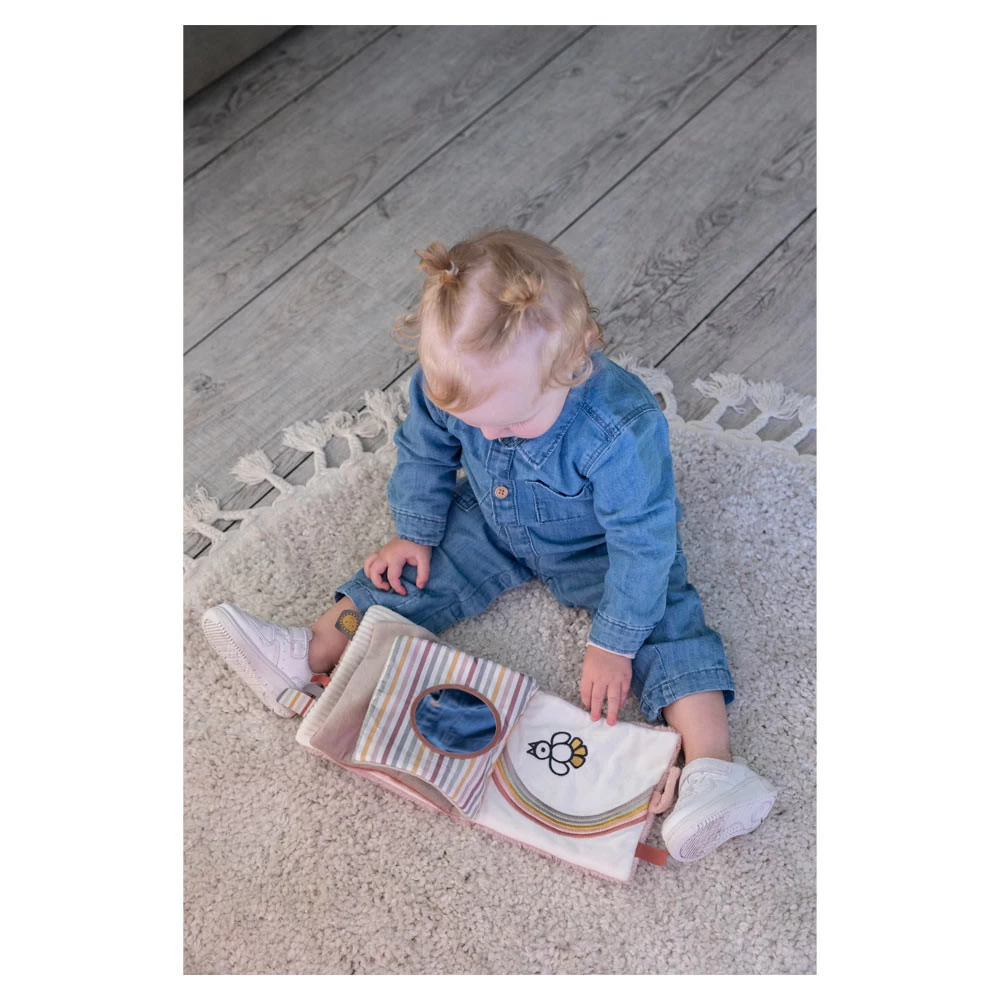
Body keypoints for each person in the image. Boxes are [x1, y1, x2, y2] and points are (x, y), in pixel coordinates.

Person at [202, 229, 776, 862]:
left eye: (512, 422)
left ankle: (714, 771)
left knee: (665, 618)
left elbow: (643, 541)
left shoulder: (618, 427)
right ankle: (307, 653)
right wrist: (415, 532)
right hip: (493, 519)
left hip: (603, 548)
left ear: (574, 359)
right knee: (411, 571)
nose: (493, 435)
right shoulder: (456, 382)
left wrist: (613, 643)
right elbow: (425, 451)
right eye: (478, 424)